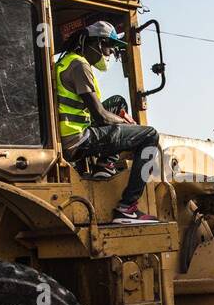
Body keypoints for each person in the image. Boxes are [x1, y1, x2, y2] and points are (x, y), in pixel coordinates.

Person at [54, 22, 162, 224]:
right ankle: (127, 208)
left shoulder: (66, 61)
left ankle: (105, 164)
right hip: (77, 140)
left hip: (71, 132)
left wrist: (120, 120)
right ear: (95, 43)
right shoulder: (79, 65)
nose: (111, 52)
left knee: (118, 102)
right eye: (109, 46)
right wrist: (127, 124)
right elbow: (101, 117)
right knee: (150, 135)